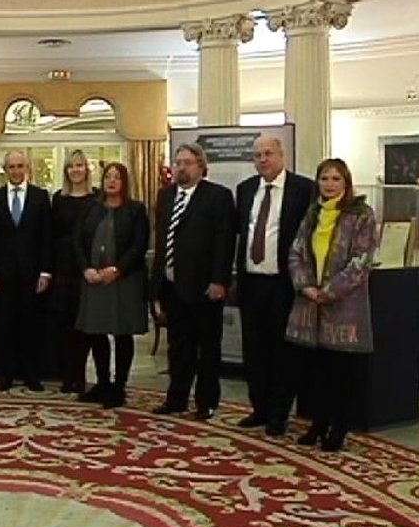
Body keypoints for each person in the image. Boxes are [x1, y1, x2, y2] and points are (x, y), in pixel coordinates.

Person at [285, 158, 377, 452]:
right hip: (310, 305)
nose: (329, 184)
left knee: (342, 374)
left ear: (346, 182)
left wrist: (329, 292)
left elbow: (361, 261)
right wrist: (306, 286)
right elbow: (296, 252)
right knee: (317, 373)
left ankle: (338, 428)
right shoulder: (313, 213)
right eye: (324, 178)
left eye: (336, 179)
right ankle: (318, 423)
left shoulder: (361, 215)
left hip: (344, 307)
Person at [234, 136, 315, 435]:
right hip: (251, 282)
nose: (262, 160)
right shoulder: (245, 190)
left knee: (283, 352)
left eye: (268, 154)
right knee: (254, 350)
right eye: (257, 155)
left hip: (284, 284)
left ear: (282, 155)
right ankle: (259, 408)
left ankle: (278, 414)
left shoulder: (303, 189)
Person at [150, 142, 235, 420]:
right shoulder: (165, 196)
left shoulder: (218, 196)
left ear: (201, 166)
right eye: (178, 163)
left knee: (207, 348)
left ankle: (206, 402)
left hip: (204, 287)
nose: (181, 168)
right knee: (178, 348)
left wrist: (219, 280)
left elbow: (224, 241)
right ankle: (176, 399)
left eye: (187, 162)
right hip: (172, 287)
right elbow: (162, 241)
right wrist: (157, 283)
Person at [73, 162, 150, 409]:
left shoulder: (136, 210)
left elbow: (140, 245)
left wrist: (117, 269)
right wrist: (86, 268)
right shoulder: (90, 208)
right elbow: (77, 241)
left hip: (124, 279)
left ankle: (119, 385)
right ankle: (103, 382)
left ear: (124, 182)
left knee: (122, 332)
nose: (112, 181)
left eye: (117, 177)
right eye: (108, 176)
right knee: (96, 331)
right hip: (94, 278)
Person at [0, 150, 52, 391]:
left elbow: (46, 237)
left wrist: (46, 272)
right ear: (5, 170)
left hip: (32, 275)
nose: (15, 171)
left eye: (20, 166)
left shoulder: (40, 197)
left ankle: (31, 374)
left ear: (27, 168)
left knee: (31, 326)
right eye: (11, 167)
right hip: (2, 276)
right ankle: (6, 375)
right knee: (5, 326)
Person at [50, 150, 102, 396]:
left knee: (86, 326)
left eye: (80, 165)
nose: (76, 170)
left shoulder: (97, 198)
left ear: (87, 169)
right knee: (65, 325)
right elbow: (51, 235)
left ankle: (81, 376)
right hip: (63, 268)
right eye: (71, 166)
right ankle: (67, 375)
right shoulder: (58, 198)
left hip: (88, 267)